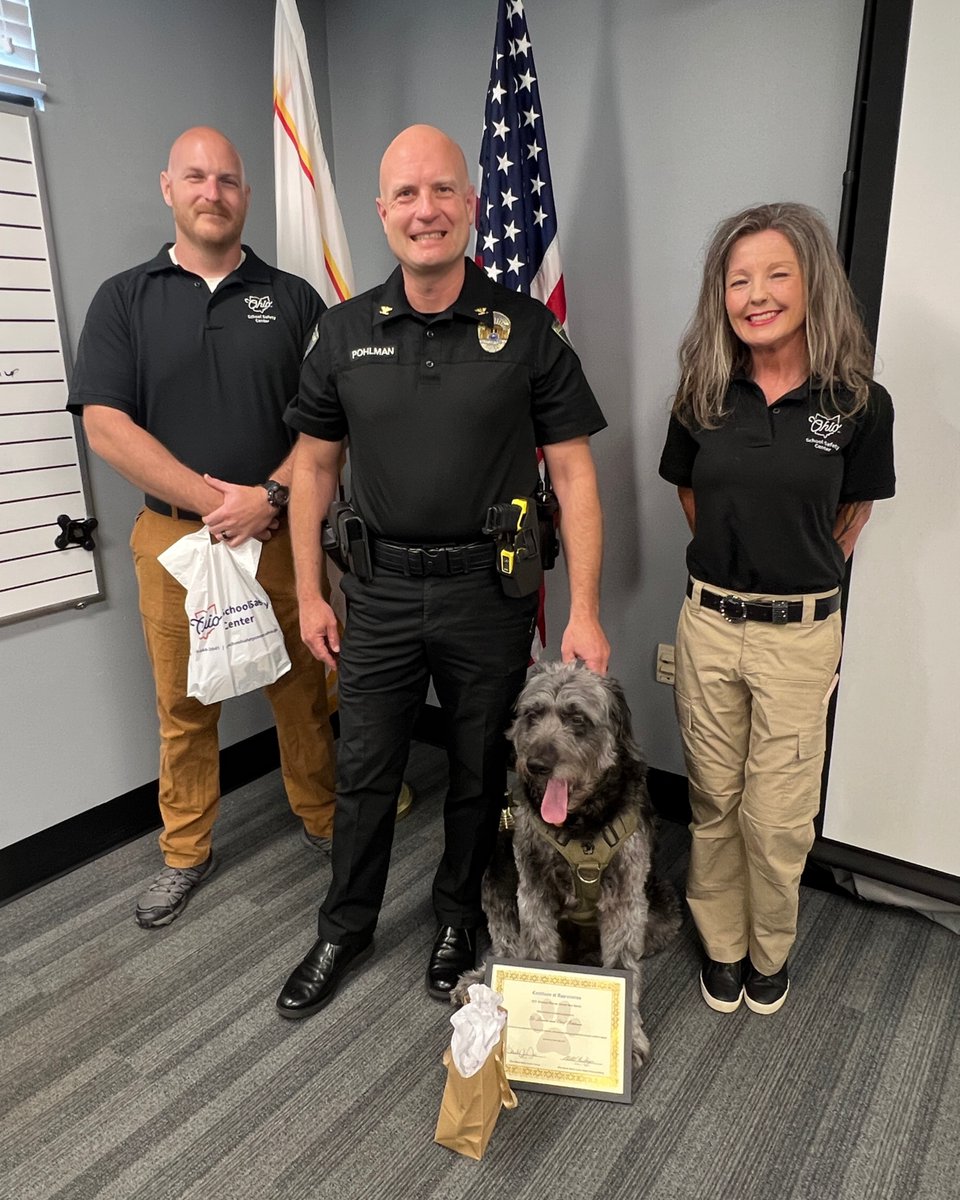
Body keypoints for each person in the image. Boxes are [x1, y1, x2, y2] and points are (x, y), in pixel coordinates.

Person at [276, 124, 609, 1020]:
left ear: (471, 204)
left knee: (476, 768)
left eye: (443, 192)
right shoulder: (341, 332)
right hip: (378, 594)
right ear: (382, 212)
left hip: (488, 594)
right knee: (366, 767)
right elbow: (311, 468)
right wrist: (311, 591)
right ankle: (343, 926)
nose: (426, 210)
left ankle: (455, 917)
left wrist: (583, 609)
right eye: (407, 195)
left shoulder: (526, 329)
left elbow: (572, 469)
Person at [67, 126, 351, 928]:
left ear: (246, 195)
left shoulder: (294, 299)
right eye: (196, 177)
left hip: (281, 532)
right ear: (168, 187)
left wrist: (264, 495)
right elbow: (106, 425)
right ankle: (185, 850)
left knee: (305, 691)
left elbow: (328, 425)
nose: (212, 192)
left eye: (227, 180)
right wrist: (211, 499)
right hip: (173, 544)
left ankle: (328, 819)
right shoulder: (124, 298)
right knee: (184, 707)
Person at [659, 202, 895, 1015]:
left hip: (801, 638)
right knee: (714, 797)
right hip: (711, 627)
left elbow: (852, 514)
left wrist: (796, 572)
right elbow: (693, 496)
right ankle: (723, 947)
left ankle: (771, 949)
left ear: (812, 283)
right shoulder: (700, 392)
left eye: (776, 275)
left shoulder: (860, 403)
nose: (756, 295)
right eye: (738, 280)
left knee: (780, 812)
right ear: (720, 295)